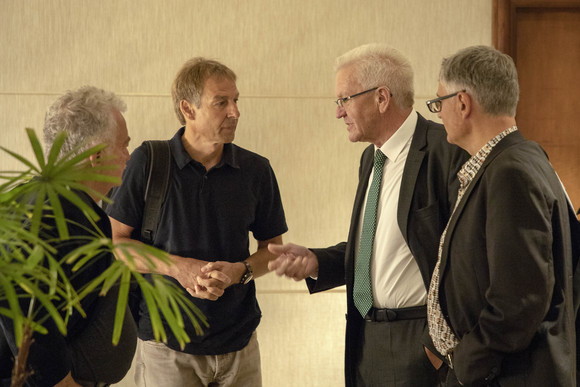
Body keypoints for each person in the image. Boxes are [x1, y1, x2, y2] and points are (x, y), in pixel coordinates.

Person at [268, 43, 468, 386]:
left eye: (345, 99)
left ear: (381, 98)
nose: (338, 112)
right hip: (364, 340)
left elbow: (466, 258)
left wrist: (436, 348)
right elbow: (378, 248)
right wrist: (317, 262)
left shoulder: (445, 151)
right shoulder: (370, 159)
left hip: (420, 345)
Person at [106, 57, 287, 387]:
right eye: (222, 102)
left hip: (240, 347)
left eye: (235, 101)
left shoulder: (256, 170)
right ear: (188, 109)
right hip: (166, 347)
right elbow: (117, 245)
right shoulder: (149, 161)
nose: (235, 112)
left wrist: (240, 272)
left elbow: (273, 250)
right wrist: (180, 268)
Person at [425, 45, 577, 386]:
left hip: (504, 376)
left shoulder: (510, 171)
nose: (438, 113)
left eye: (439, 102)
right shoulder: (521, 159)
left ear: (463, 103)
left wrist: (466, 364)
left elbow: (519, 301)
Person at [0, 86, 136, 386]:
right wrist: (62, 382)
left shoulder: (73, 205)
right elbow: (21, 311)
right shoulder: (48, 214)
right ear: (95, 155)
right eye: (123, 146)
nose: (128, 156)